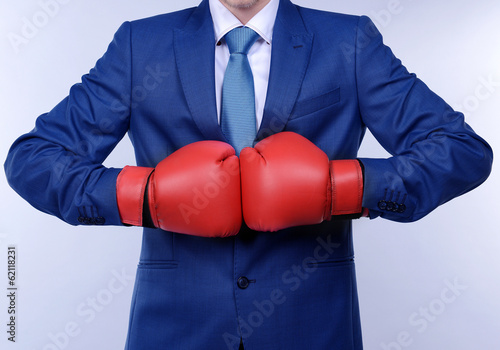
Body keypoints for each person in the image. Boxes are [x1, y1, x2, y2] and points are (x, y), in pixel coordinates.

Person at [4, 0, 493, 349]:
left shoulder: (350, 41)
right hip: (173, 329)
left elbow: (462, 151)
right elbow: (33, 158)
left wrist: (342, 188)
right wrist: (144, 196)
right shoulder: (141, 44)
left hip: (312, 329)